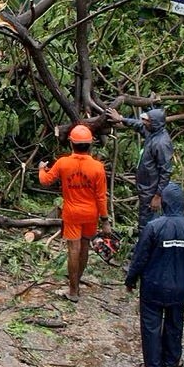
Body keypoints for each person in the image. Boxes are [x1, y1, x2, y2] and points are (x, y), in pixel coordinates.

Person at [125, 183, 184, 367]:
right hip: (181, 287)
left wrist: (131, 279)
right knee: (175, 322)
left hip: (154, 286)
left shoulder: (154, 227)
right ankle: (171, 361)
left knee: (151, 325)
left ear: (165, 203)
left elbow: (140, 257)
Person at [38, 125, 110, 302]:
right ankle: (76, 283)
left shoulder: (63, 163)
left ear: (71, 143)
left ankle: (73, 290)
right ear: (90, 144)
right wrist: (105, 220)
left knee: (73, 250)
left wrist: (41, 168)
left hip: (71, 213)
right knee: (85, 248)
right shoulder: (98, 167)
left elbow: (45, 181)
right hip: (91, 214)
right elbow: (101, 197)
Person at [106, 108, 173, 232]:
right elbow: (138, 125)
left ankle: (146, 248)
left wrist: (158, 196)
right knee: (144, 220)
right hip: (146, 188)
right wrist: (121, 119)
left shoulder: (161, 143)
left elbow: (166, 171)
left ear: (154, 123)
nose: (144, 122)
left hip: (152, 191)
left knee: (149, 223)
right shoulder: (152, 132)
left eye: (147, 121)